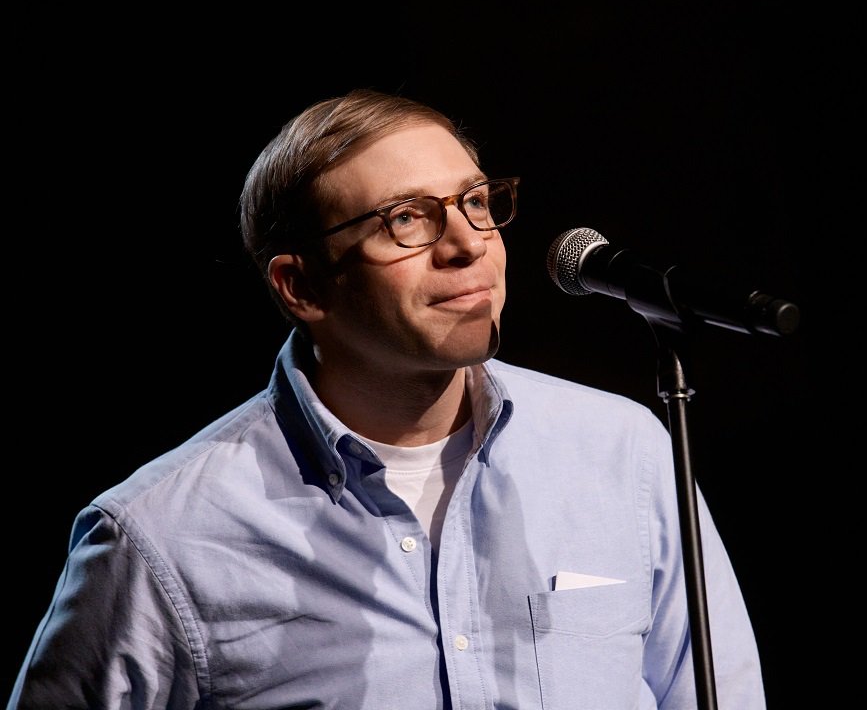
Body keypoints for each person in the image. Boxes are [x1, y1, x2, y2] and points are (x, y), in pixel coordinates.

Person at [7, 88, 766, 709]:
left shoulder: (623, 452)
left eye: (475, 201)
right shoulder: (161, 536)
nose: (467, 242)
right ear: (300, 286)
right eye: (406, 219)